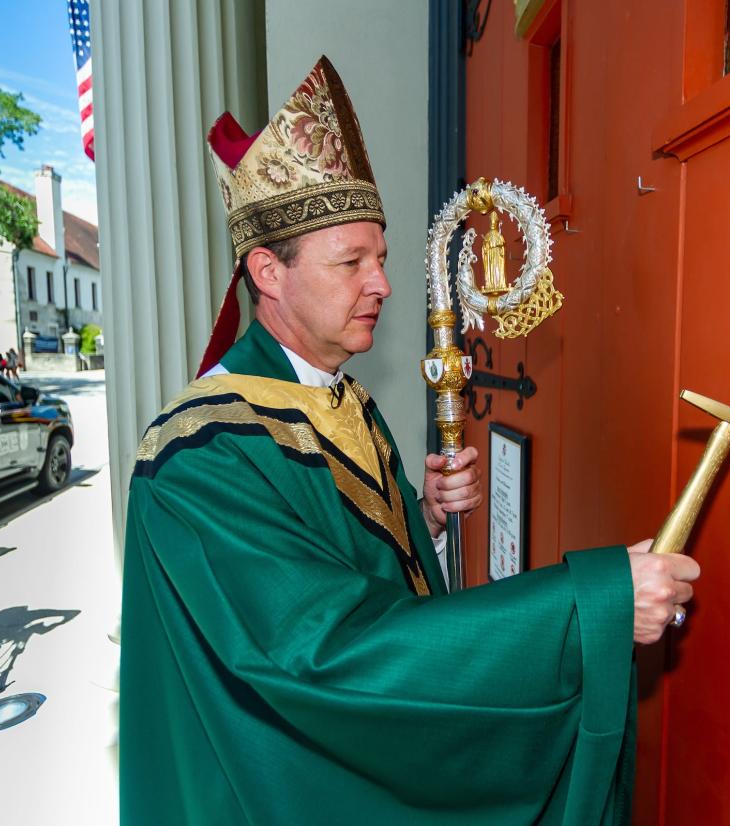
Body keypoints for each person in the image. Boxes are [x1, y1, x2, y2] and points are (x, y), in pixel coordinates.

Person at [120, 56, 700, 825]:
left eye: (383, 258)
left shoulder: (341, 400)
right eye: (350, 262)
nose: (383, 284)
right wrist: (589, 602)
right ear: (268, 271)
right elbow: (319, 653)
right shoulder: (199, 457)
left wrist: (419, 516)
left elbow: (339, 566)